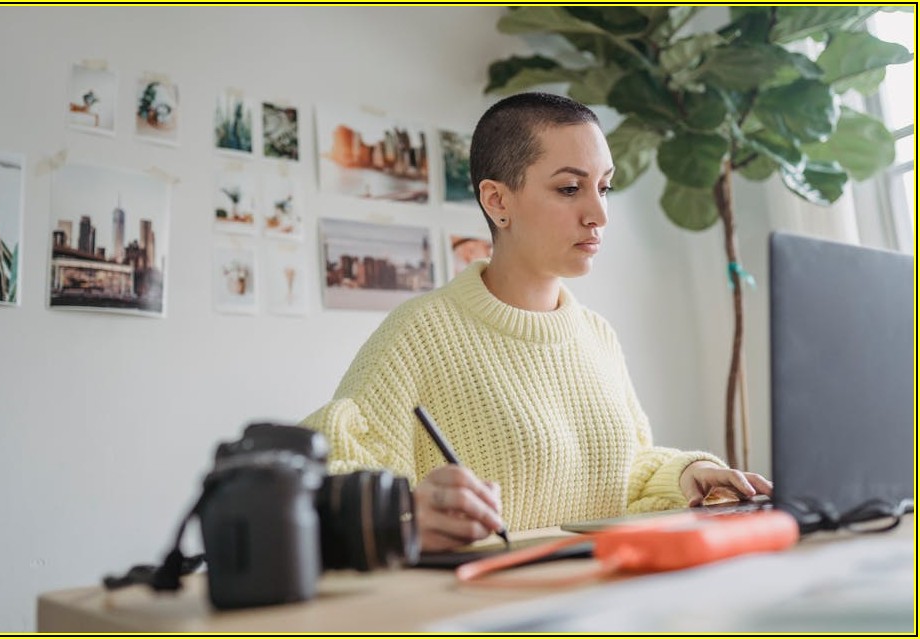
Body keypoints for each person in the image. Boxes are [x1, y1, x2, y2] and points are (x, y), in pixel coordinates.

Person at [302, 92, 772, 552]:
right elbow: (326, 480)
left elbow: (622, 474)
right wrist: (405, 512)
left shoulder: (596, 335)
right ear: (497, 202)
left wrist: (685, 474)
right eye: (570, 188)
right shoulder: (419, 333)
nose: (599, 213)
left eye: (603, 187)